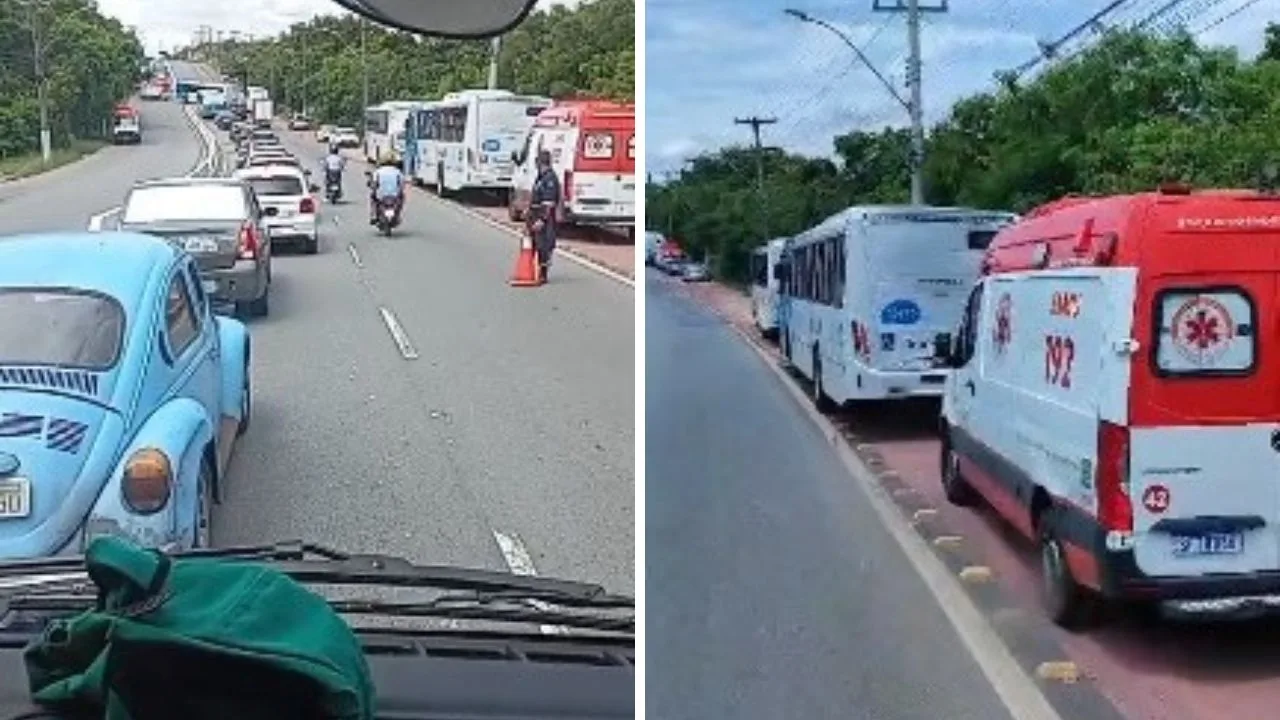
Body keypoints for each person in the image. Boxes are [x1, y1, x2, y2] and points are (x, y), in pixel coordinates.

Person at [527, 149, 561, 281]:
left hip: (544, 217)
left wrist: (542, 219)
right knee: (533, 244)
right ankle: (530, 270)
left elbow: (549, 202)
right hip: (535, 214)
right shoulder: (541, 177)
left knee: (544, 245)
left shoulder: (550, 179)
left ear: (541, 163)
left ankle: (543, 274)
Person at [368, 152, 406, 225]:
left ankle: (373, 215)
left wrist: (373, 188)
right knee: (402, 198)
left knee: (372, 198)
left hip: (381, 195)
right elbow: (401, 185)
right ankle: (397, 215)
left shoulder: (378, 171)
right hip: (394, 196)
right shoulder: (398, 172)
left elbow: (374, 183)